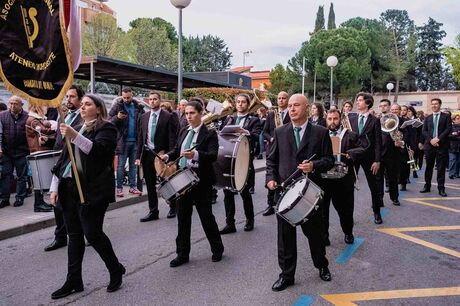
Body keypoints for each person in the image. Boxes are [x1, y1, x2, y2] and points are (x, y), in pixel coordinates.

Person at [49, 94, 124, 299]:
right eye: (81, 104)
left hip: (92, 191)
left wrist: (74, 135)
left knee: (93, 234)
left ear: (98, 109)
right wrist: (54, 187)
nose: (82, 107)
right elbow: (65, 159)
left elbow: (98, 151)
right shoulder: (77, 126)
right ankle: (74, 280)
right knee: (73, 236)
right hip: (68, 188)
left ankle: (115, 269)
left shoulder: (106, 128)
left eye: (87, 104)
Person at [266, 94, 334, 291]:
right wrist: (270, 179)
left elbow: (329, 160)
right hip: (285, 193)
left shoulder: (321, 132)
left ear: (307, 108)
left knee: (315, 235)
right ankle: (286, 275)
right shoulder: (280, 132)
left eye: (296, 105)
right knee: (285, 238)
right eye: (290, 106)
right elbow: (271, 160)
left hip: (310, 193)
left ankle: (322, 265)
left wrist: (314, 165)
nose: (292, 109)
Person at [160, 100, 224, 267]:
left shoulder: (209, 133)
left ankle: (217, 249)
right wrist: (168, 156)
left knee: (206, 217)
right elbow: (177, 150)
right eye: (186, 113)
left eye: (192, 113)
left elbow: (212, 155)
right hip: (183, 181)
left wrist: (195, 154)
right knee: (183, 218)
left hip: (201, 181)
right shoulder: (184, 131)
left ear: (201, 112)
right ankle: (182, 254)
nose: (188, 117)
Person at [44, 85, 85, 252]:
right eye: (67, 97)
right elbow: (60, 139)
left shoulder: (83, 119)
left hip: (76, 165)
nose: (68, 100)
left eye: (72, 96)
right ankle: (60, 236)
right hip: (60, 163)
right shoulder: (64, 116)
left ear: (80, 99)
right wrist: (47, 139)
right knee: (57, 202)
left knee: (78, 204)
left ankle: (85, 233)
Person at [219, 93, 262, 234]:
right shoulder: (229, 118)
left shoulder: (254, 120)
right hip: (229, 159)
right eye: (238, 102)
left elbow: (257, 136)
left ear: (247, 104)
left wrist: (247, 132)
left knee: (244, 192)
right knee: (227, 193)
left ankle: (250, 220)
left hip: (244, 159)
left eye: (243, 102)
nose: (240, 104)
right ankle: (229, 223)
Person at [322, 109, 365, 246]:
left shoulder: (350, 135)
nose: (332, 122)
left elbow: (363, 148)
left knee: (345, 210)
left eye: (335, 118)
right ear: (326, 119)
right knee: (322, 211)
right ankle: (324, 236)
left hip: (343, 178)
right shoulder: (320, 135)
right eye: (330, 118)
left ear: (340, 119)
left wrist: (351, 152)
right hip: (324, 178)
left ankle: (348, 232)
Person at [136, 91, 178, 222]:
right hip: (148, 154)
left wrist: (170, 156)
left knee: (167, 181)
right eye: (150, 99)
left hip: (162, 154)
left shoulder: (168, 116)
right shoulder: (144, 117)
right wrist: (138, 156)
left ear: (159, 101)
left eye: (155, 99)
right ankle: (153, 210)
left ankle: (173, 206)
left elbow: (172, 138)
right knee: (149, 184)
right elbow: (140, 137)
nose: (152, 101)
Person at [349, 93, 383, 224]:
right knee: (349, 187)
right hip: (353, 156)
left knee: (373, 186)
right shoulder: (351, 118)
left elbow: (378, 142)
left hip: (369, 158)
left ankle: (377, 212)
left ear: (367, 103)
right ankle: (348, 216)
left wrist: (377, 160)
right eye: (357, 100)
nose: (357, 103)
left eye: (360, 100)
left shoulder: (375, 120)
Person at [109, 87, 144, 198]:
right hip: (122, 141)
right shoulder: (117, 106)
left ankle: (133, 187)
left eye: (128, 97)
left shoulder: (138, 106)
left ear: (132, 95)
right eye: (124, 97)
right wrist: (117, 117)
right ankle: (119, 188)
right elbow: (109, 122)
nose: (126, 99)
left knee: (133, 166)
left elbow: (144, 120)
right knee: (120, 166)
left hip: (136, 141)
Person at [262, 91, 290, 216]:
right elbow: (265, 131)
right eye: (279, 98)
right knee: (271, 176)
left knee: (283, 176)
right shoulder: (271, 114)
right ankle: (270, 205)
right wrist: (271, 139)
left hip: (286, 150)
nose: (281, 100)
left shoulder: (291, 114)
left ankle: (283, 202)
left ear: (287, 100)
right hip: (273, 149)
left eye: (284, 98)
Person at [0, 96, 30, 208]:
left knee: (21, 176)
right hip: (7, 152)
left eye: (15, 103)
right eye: (11, 103)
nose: (12, 106)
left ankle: (20, 198)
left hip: (22, 151)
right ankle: (4, 199)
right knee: (5, 174)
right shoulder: (2, 116)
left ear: (21, 105)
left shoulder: (27, 117)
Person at [26, 105, 56, 212]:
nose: (46, 108)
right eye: (44, 106)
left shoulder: (36, 119)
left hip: (39, 150)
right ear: (38, 107)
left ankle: (40, 202)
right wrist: (54, 127)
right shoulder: (33, 120)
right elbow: (43, 131)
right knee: (39, 178)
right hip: (38, 151)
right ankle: (38, 204)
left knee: (40, 178)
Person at [420, 98, 452, 197]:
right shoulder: (428, 118)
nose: (434, 106)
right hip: (429, 146)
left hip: (441, 145)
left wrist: (438, 139)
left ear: (440, 105)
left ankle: (441, 188)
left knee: (441, 168)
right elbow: (424, 131)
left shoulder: (446, 117)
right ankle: (427, 186)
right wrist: (431, 140)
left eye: (436, 104)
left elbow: (448, 129)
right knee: (428, 167)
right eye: (432, 104)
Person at [448, 113, 460, 179]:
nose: (459, 120)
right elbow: (449, 136)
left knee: (458, 161)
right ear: (453, 120)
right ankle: (451, 174)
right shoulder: (450, 127)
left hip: (459, 146)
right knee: (452, 160)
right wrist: (456, 135)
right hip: (452, 146)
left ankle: (456, 174)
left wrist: (456, 134)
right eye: (457, 119)